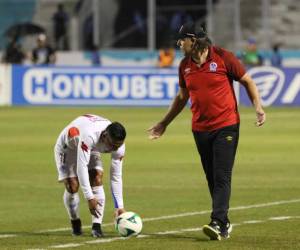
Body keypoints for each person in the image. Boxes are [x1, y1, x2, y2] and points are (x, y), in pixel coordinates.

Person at [148, 22, 266, 241]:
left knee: (222, 175)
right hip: (200, 129)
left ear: (193, 40)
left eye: (182, 39)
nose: (179, 43)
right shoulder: (184, 65)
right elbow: (182, 97)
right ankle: (224, 221)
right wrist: (164, 123)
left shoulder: (223, 57)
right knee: (212, 177)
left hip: (226, 125)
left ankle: (217, 221)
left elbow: (247, 81)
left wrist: (257, 106)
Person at [54, 114, 127, 237]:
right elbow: (81, 167)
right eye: (113, 145)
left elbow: (116, 176)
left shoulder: (118, 146)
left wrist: (119, 206)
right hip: (68, 147)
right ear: (104, 136)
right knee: (72, 186)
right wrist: (89, 197)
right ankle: (75, 220)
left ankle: (96, 227)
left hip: (92, 147)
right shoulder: (90, 135)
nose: (115, 149)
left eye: (118, 145)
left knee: (97, 177)